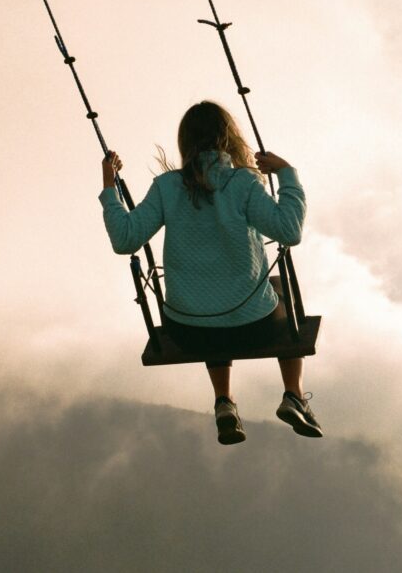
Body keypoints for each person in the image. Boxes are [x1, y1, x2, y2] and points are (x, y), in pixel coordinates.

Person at [97, 100, 322, 445]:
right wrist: (287, 173)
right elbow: (289, 231)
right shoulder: (243, 183)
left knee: (208, 302)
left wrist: (110, 185)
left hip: (189, 331)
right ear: (228, 138)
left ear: (184, 142)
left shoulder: (167, 187)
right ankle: (293, 394)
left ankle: (223, 403)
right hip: (254, 330)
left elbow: (125, 239)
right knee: (280, 289)